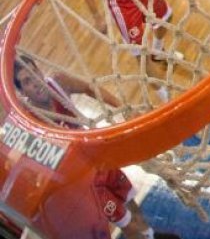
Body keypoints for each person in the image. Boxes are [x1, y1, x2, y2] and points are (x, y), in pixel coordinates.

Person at [13, 56, 182, 239]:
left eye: (33, 72)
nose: (35, 82)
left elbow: (88, 88)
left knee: (129, 200)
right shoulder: (29, 121)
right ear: (22, 92)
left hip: (98, 160)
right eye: (27, 81)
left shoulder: (58, 83)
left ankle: (149, 234)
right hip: (84, 184)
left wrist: (122, 108)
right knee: (125, 222)